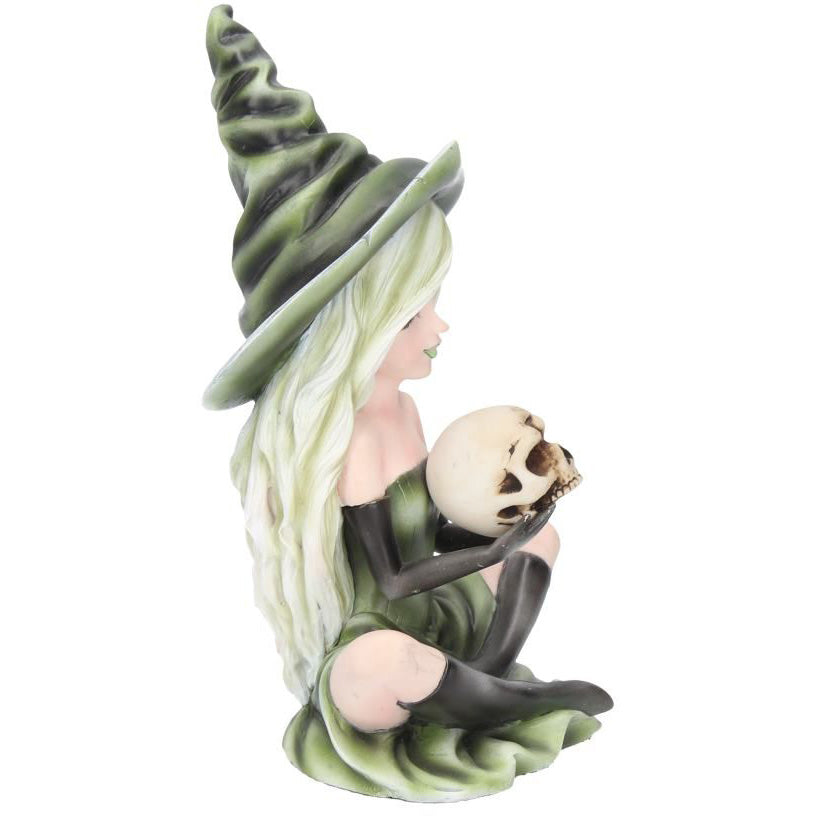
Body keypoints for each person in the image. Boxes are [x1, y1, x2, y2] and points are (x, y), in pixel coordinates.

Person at [204, 7, 611, 801]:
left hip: (445, 612)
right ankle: (498, 702)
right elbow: (391, 579)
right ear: (360, 329)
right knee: (375, 671)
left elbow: (434, 527)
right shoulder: (352, 440)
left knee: (546, 540)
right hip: (387, 624)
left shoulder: (408, 415)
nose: (438, 328)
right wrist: (491, 552)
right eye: (413, 314)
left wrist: (508, 515)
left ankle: (483, 672)